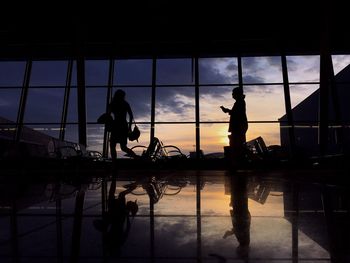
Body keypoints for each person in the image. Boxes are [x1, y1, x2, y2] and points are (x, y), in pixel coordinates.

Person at [220, 87, 248, 165]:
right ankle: (237, 162)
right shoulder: (240, 102)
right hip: (239, 126)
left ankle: (237, 162)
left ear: (237, 94)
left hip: (238, 126)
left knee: (236, 145)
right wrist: (228, 111)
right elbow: (236, 113)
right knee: (237, 144)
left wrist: (227, 111)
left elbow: (236, 114)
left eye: (233, 93)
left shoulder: (240, 102)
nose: (232, 95)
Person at [108, 89, 137, 159]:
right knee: (123, 147)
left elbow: (108, 116)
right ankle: (136, 158)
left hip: (115, 125)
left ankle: (114, 163)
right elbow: (131, 116)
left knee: (112, 145)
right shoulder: (125, 103)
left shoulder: (112, 104)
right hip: (123, 125)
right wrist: (129, 127)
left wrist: (109, 125)